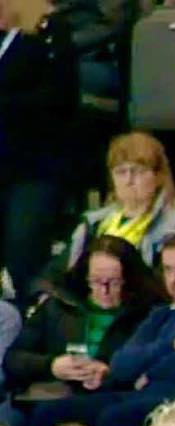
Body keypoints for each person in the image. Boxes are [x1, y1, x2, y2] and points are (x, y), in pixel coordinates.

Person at [23, 232, 175, 426]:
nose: (174, 279)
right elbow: (120, 363)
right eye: (168, 270)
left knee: (115, 418)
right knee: (50, 413)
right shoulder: (163, 312)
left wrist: (147, 374)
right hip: (146, 394)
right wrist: (168, 347)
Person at [5, 237, 165, 401]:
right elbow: (13, 359)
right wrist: (51, 366)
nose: (104, 290)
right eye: (96, 281)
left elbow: (156, 367)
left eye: (114, 282)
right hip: (55, 394)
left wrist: (110, 374)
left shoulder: (148, 315)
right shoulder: (58, 306)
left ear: (130, 280)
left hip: (114, 399)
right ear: (85, 277)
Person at [0, 0, 79, 310]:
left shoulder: (49, 34)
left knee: (24, 252)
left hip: (34, 168)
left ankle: (34, 331)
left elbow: (62, 99)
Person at [62, 132, 175, 273]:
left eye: (138, 171)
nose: (128, 180)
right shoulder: (92, 224)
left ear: (158, 177)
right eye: (120, 172)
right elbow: (59, 277)